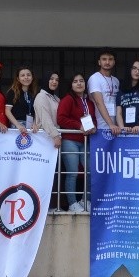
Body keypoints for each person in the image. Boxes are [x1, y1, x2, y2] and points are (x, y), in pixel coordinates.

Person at [57, 73, 92, 212]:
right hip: (70, 140)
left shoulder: (89, 102)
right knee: (73, 172)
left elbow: (92, 118)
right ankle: (72, 203)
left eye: (81, 81)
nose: (79, 84)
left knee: (89, 171)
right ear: (71, 85)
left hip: (86, 140)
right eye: (75, 81)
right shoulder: (67, 99)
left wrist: (92, 127)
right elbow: (61, 119)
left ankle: (86, 200)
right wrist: (79, 126)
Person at [115, 59, 139, 135]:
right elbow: (118, 112)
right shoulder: (122, 89)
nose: (137, 71)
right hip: (126, 132)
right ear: (129, 70)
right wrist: (122, 127)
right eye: (134, 68)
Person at [86, 49, 121, 134]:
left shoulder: (116, 81)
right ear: (99, 62)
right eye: (104, 59)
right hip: (100, 127)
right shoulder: (94, 78)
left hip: (116, 128)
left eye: (110, 59)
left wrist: (117, 125)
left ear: (114, 62)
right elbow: (99, 102)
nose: (107, 62)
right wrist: (111, 124)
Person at [33, 69, 63, 150]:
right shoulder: (41, 96)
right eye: (51, 79)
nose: (54, 82)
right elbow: (45, 119)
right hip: (45, 138)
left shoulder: (56, 99)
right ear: (46, 80)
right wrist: (56, 136)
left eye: (57, 80)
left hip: (54, 137)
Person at [5, 67, 40, 134]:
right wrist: (17, 125)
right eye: (22, 75)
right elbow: (7, 111)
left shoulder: (34, 93)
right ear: (18, 79)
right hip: (17, 127)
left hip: (31, 127)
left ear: (32, 77)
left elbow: (36, 111)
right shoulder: (13, 92)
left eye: (28, 75)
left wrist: (35, 123)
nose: (26, 77)